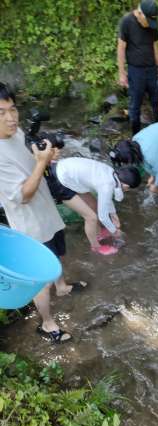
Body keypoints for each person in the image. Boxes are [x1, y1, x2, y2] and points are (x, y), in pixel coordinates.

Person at [0, 83, 86, 344]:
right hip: (30, 224)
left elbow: (31, 161)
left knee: (58, 252)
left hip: (46, 209)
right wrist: (40, 163)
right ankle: (47, 324)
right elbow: (23, 195)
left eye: (13, 109)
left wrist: (45, 158)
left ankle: (62, 287)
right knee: (40, 280)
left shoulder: (15, 132)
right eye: (1, 113)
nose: (11, 118)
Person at [46, 157, 141, 255]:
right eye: (128, 189)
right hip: (58, 181)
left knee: (94, 205)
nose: (126, 191)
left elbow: (106, 199)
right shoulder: (107, 185)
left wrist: (113, 214)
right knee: (91, 218)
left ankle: (98, 233)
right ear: (126, 186)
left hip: (66, 172)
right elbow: (103, 216)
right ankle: (96, 247)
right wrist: (114, 231)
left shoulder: (112, 173)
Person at [117, 0, 158, 135]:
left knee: (157, 102)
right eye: (147, 20)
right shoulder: (127, 21)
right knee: (135, 106)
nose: (149, 24)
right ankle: (135, 137)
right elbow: (121, 47)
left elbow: (155, 46)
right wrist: (122, 73)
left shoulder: (152, 23)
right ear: (140, 14)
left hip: (152, 69)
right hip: (135, 70)